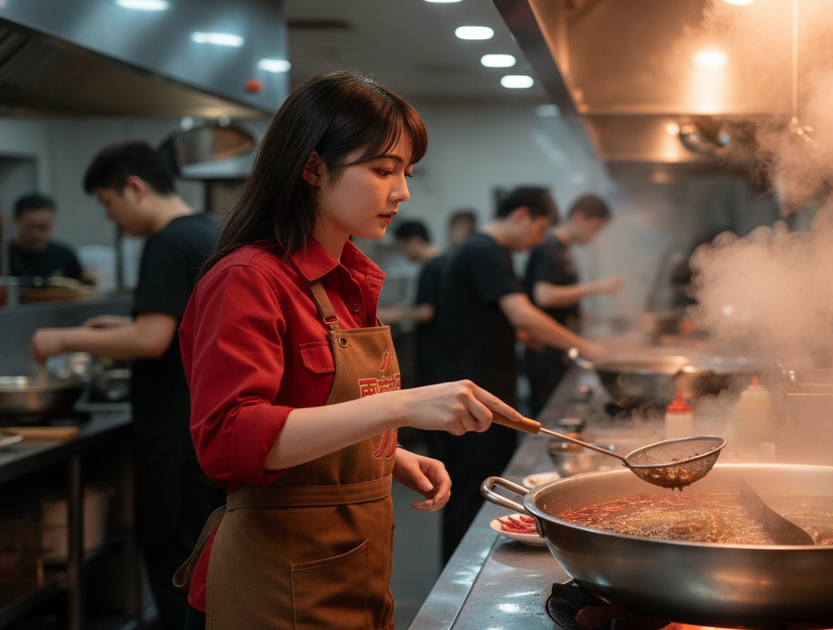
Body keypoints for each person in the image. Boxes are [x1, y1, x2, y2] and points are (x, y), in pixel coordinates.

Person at [172, 70, 520, 630]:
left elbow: (312, 413)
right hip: (272, 583)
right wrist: (401, 409)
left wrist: (385, 455)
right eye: (383, 170)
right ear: (312, 167)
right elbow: (230, 440)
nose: (402, 192)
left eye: (406, 172)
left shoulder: (349, 280)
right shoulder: (247, 279)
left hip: (352, 566)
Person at [26, 141, 225, 630]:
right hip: (205, 429)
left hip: (175, 438)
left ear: (135, 189)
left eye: (108, 203)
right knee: (207, 572)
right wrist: (118, 324)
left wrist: (60, 338)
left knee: (175, 567)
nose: (111, 217)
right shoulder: (209, 232)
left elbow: (154, 338)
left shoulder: (166, 242)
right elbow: (182, 323)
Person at [432, 186, 601, 563]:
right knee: (469, 494)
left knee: (477, 487)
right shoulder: (486, 251)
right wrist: (587, 347)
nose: (538, 240)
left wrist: (520, 334)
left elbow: (489, 317)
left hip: (480, 389)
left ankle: (466, 566)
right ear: (521, 215)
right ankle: (458, 580)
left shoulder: (489, 251)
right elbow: (521, 312)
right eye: (540, 229)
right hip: (469, 394)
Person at [523, 194, 621, 417]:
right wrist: (599, 286)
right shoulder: (549, 249)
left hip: (559, 353)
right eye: (594, 228)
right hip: (544, 353)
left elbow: (561, 306)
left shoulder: (563, 251)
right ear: (578, 217)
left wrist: (590, 320)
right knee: (546, 418)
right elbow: (544, 296)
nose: (595, 236)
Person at [378, 220, 448, 388]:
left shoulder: (432, 268)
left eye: (402, 247)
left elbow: (425, 312)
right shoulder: (447, 261)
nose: (403, 254)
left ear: (414, 241)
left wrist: (391, 315)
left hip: (435, 349)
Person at [7, 193, 84, 281]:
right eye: (29, 227)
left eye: (43, 227)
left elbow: (81, 288)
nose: (36, 234)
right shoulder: (4, 256)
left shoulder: (65, 256)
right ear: (15, 221)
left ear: (53, 223)